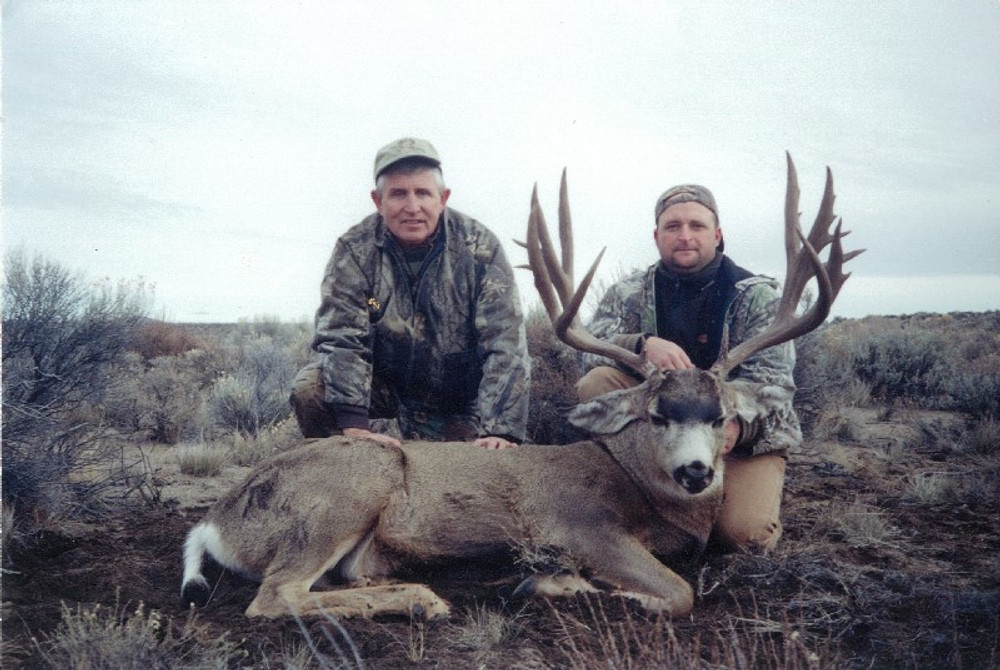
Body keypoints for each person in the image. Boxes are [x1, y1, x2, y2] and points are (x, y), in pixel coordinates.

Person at [576, 184, 800, 553]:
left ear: (717, 234)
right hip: (661, 429)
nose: (684, 236)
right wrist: (640, 343)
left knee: (745, 538)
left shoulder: (756, 296)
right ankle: (635, 486)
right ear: (656, 236)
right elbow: (586, 351)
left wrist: (737, 426)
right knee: (598, 382)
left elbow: (775, 391)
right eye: (672, 226)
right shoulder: (628, 292)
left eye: (696, 226)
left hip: (735, 436)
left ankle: (721, 499)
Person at [291, 137, 529, 450]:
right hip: (387, 385)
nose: (412, 207)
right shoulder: (354, 251)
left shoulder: (480, 248)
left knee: (461, 479)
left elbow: (504, 341)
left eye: (423, 193)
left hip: (455, 397)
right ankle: (348, 468)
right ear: (378, 201)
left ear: (442, 198)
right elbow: (341, 338)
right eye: (399, 194)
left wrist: (501, 430)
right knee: (311, 390)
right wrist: (354, 426)